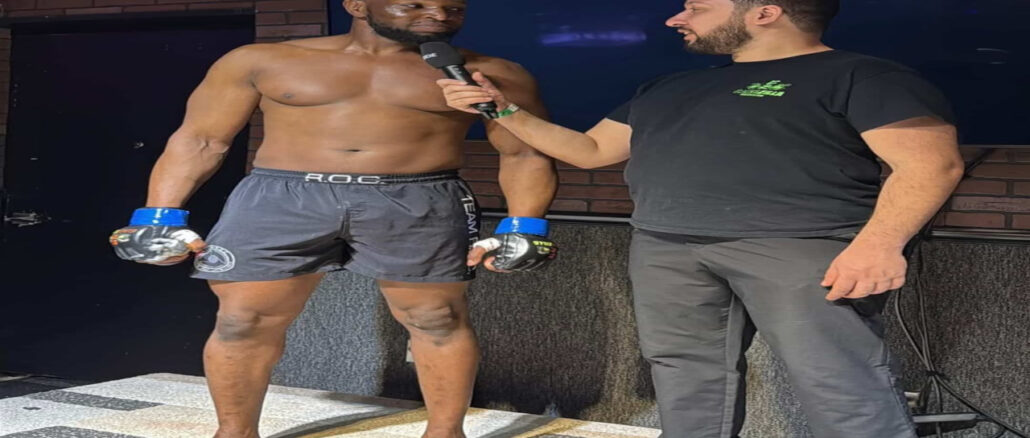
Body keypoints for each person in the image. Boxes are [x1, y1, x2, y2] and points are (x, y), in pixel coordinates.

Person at [437, 0, 964, 436]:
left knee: (836, 377)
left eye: (696, 7)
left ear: (765, 12)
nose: (676, 18)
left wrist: (879, 245)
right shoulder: (668, 87)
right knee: (685, 374)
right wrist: (501, 110)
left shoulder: (863, 75)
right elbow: (590, 150)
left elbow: (931, 164)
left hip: (799, 248)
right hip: (664, 247)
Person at [108, 1, 558, 437]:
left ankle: (445, 433)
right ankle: (234, 432)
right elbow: (202, 139)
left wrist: (526, 225)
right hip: (281, 196)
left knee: (436, 317)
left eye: (453, 8)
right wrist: (158, 215)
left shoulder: (492, 73)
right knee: (243, 320)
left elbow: (524, 153)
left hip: (418, 195)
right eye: (414, 5)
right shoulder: (260, 60)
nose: (438, 15)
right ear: (358, 5)